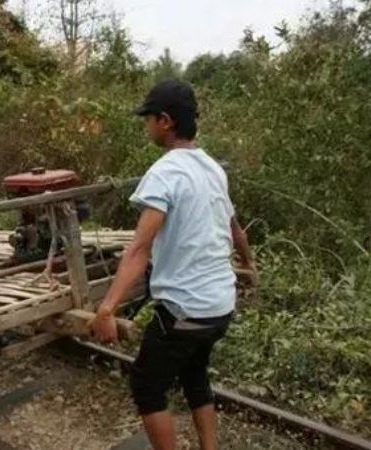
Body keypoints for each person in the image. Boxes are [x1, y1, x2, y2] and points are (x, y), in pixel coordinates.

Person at [90, 80, 256, 450]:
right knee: (195, 375)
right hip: (220, 304)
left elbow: (139, 249)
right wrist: (249, 268)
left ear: (165, 121)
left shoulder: (166, 172)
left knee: (146, 386)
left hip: (187, 308)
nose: (145, 125)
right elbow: (236, 229)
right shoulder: (213, 168)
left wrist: (106, 308)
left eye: (148, 118)